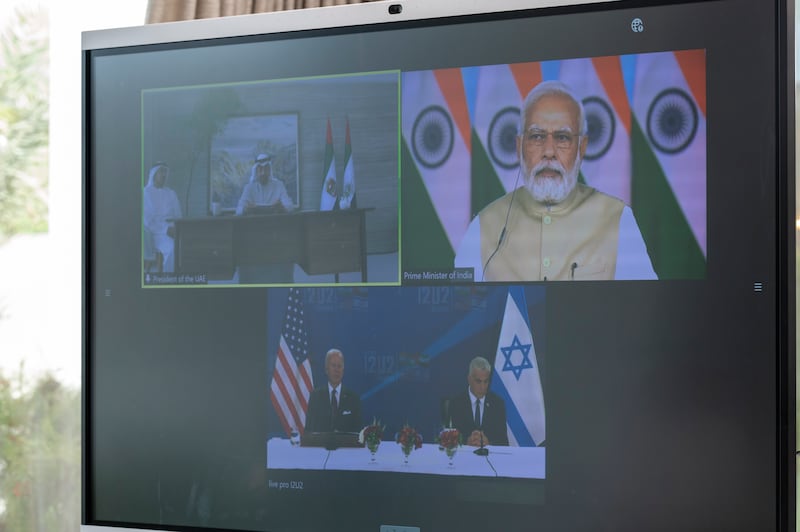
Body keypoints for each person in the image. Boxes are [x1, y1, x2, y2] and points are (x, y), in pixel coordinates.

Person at [454, 80, 657, 281]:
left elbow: (643, 307)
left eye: (562, 137)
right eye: (536, 136)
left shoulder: (618, 220)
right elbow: (461, 310)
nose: (549, 152)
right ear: (519, 146)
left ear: (582, 147)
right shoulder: (482, 227)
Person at [235, 153, 295, 283]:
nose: (263, 172)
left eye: (266, 169)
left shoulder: (278, 185)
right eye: (260, 169)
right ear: (256, 170)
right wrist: (246, 209)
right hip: (254, 237)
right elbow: (238, 210)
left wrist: (281, 207)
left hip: (276, 237)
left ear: (270, 170)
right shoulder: (249, 187)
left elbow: (290, 206)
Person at [443, 356, 508, 447]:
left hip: (490, 459)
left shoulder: (497, 404)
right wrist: (466, 443)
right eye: (478, 381)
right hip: (463, 459)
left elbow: (504, 442)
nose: (483, 387)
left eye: (486, 382)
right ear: (469, 379)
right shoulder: (456, 403)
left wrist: (488, 443)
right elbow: (447, 440)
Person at [304, 349, 362, 433]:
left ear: (343, 370)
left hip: (346, 445)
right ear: (326, 369)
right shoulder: (315, 397)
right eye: (333, 365)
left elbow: (358, 433)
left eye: (339, 366)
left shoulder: (353, 398)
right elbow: (309, 430)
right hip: (320, 445)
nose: (336, 370)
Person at [143, 162, 182, 272]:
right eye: (161, 172)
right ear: (154, 174)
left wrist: (177, 228)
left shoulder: (171, 193)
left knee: (188, 245)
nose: (164, 175)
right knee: (173, 248)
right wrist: (166, 230)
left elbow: (178, 215)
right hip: (156, 234)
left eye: (165, 172)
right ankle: (169, 278)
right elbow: (147, 221)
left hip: (175, 229)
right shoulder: (146, 193)